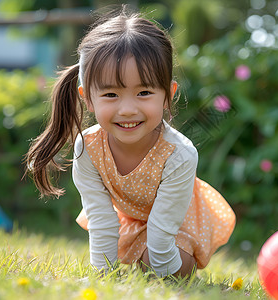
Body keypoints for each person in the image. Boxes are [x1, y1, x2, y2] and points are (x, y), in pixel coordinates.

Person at [25, 7, 235, 278]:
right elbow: (101, 220)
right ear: (87, 97)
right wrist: (103, 275)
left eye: (144, 92)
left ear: (167, 95)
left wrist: (161, 272)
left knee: (157, 264)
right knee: (138, 258)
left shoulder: (178, 154)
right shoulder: (87, 148)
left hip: (176, 221)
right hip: (130, 218)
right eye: (111, 94)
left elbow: (161, 234)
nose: (127, 109)